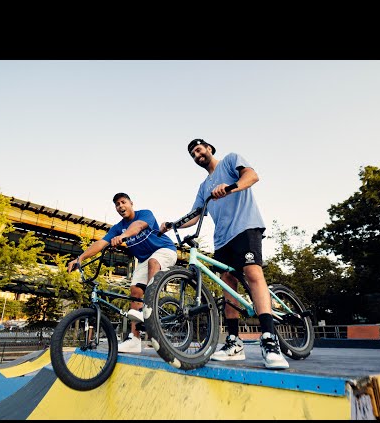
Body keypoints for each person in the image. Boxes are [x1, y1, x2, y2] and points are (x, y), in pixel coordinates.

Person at [159, 138, 289, 369]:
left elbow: (252, 176)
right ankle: (233, 341)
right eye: (193, 154)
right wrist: (173, 224)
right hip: (222, 238)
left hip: (245, 226)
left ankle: (269, 340)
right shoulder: (203, 186)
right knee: (227, 285)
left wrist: (231, 187)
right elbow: (196, 214)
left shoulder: (230, 160)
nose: (197, 155)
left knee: (252, 273)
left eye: (199, 149)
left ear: (209, 148)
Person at [67, 192, 177, 353]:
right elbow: (101, 243)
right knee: (135, 291)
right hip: (144, 259)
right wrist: (80, 258)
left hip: (165, 250)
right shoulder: (117, 227)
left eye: (123, 202)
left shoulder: (145, 214)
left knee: (154, 263)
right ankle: (134, 339)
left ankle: (150, 309)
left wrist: (123, 236)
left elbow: (138, 226)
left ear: (131, 203)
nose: (120, 206)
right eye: (117, 205)